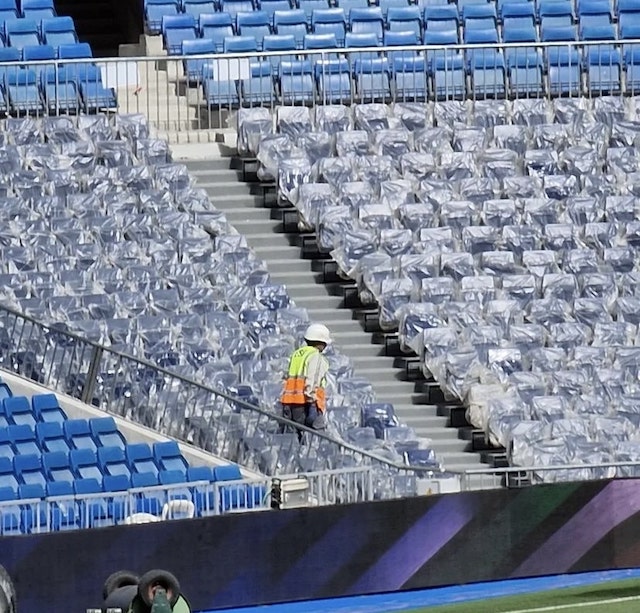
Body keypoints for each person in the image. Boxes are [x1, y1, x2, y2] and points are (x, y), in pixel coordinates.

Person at [280, 323, 331, 441]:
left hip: (290, 404)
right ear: (321, 343)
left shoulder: (297, 354)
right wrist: (312, 403)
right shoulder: (316, 357)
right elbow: (312, 381)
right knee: (316, 441)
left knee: (296, 440)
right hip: (307, 405)